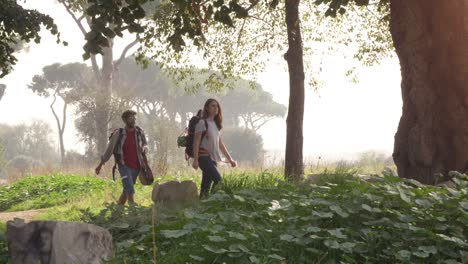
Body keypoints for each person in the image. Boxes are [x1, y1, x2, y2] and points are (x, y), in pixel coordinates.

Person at [95, 110, 148, 205]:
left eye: (134, 118)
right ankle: (133, 211)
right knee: (130, 190)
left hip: (136, 166)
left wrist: (144, 149)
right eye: (131, 118)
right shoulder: (119, 133)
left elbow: (145, 144)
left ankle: (118, 208)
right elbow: (109, 150)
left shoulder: (140, 131)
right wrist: (100, 165)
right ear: (125, 120)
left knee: (126, 190)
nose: (133, 120)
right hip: (124, 165)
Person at [192, 98, 237, 198]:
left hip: (213, 159)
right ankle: (212, 200)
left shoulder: (216, 125)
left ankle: (203, 204)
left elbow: (220, 144)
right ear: (207, 108)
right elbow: (196, 142)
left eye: (217, 106)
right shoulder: (202, 123)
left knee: (205, 186)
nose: (216, 108)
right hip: (203, 158)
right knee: (219, 181)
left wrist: (230, 159)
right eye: (213, 106)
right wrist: (195, 160)